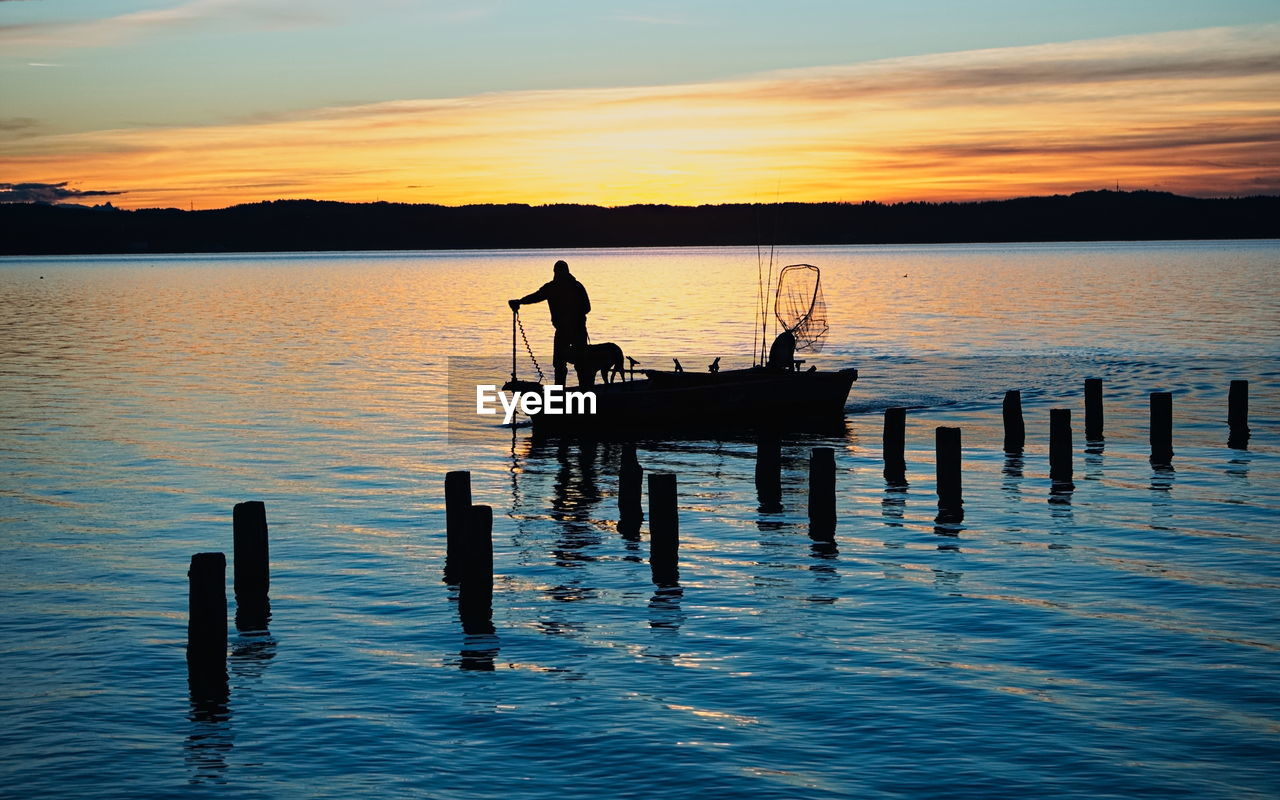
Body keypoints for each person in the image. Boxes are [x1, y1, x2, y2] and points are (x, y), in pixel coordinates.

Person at [509, 260, 591, 385]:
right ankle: (583, 391)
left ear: (555, 272)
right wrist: (520, 301)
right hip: (575, 330)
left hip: (568, 330)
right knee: (576, 364)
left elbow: (536, 296)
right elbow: (587, 308)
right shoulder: (576, 286)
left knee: (564, 364)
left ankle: (563, 393)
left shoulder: (554, 287)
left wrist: (520, 302)